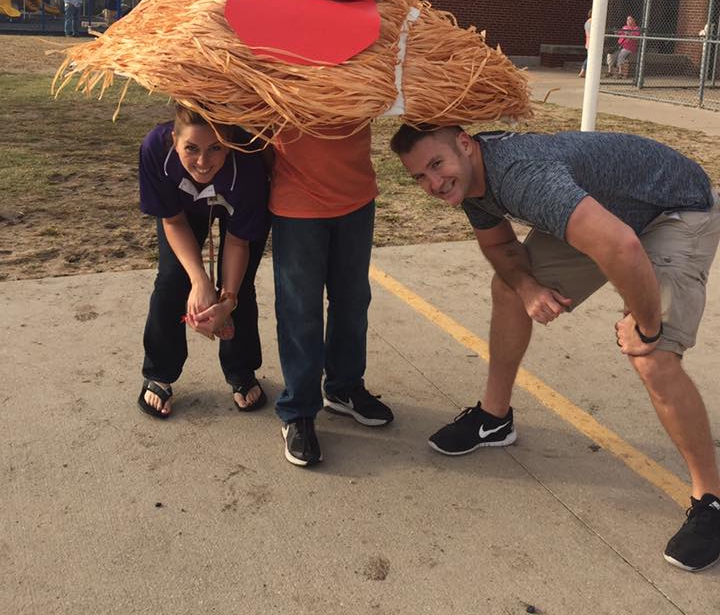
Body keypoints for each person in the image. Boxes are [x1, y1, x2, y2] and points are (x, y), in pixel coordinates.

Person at [390, 123, 720, 572]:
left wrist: (646, 327)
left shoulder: (521, 176)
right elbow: (500, 243)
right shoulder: (470, 180)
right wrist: (527, 287)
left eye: (436, 165)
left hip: (674, 209)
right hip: (610, 211)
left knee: (653, 358)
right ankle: (494, 418)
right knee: (508, 288)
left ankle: (710, 500)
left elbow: (621, 246)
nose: (433, 183)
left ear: (465, 145)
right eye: (419, 177)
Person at [270, 124, 393, 467]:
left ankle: (344, 387)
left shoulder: (364, 67)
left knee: (353, 301)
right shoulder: (282, 67)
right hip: (297, 204)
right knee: (300, 311)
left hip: (356, 197)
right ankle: (298, 410)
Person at [137, 105, 270, 419]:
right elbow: (173, 222)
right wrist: (199, 280)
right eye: (191, 149)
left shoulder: (248, 165)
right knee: (172, 280)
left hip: (238, 210)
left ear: (231, 143)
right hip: (183, 216)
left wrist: (227, 300)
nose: (202, 161)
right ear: (173, 139)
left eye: (215, 149)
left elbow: (238, 242)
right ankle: (160, 372)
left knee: (240, 287)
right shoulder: (156, 149)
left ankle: (240, 370)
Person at [578, 8, 592, 78]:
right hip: (591, 43)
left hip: (588, 42)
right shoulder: (592, 22)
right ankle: (583, 71)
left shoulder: (587, 22)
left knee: (589, 57)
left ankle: (584, 71)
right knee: (590, 58)